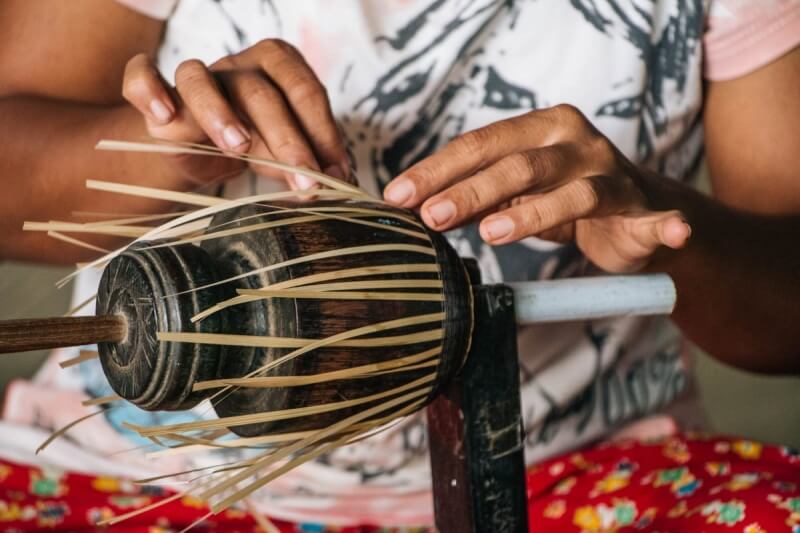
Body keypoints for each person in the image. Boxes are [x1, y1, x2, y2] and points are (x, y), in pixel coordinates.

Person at [0, 0, 798, 530]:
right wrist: (162, 152)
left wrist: (656, 222)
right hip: (147, 479)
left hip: (579, 473)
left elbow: (787, 315)